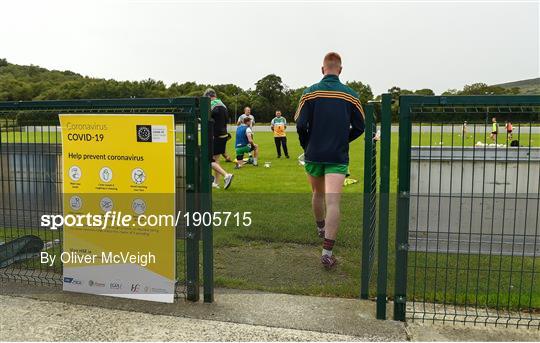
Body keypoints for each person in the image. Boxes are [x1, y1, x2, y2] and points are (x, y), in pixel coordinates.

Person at [295, 52, 365, 269]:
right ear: (340, 70)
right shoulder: (351, 95)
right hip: (337, 155)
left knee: (317, 194)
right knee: (333, 202)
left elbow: (299, 124)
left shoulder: (309, 93)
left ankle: (320, 228)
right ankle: (327, 252)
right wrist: (344, 139)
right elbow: (361, 126)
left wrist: (307, 145)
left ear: (322, 69)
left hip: (313, 154)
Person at [204, 88, 234, 189]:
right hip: (224, 135)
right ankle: (216, 183)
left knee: (208, 160)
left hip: (216, 136)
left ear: (209, 97)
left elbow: (211, 115)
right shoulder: (223, 105)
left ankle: (226, 175)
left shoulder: (213, 105)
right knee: (216, 160)